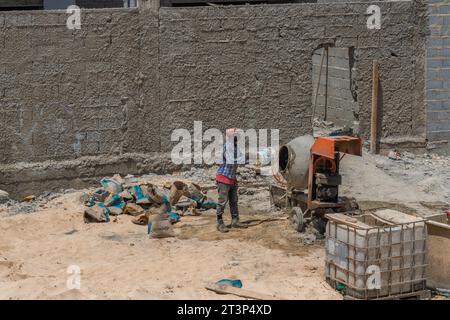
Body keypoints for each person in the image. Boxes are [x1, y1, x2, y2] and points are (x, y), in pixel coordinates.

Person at [215, 128, 246, 233]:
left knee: (234, 200)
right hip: (224, 178)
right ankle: (219, 222)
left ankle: (235, 220)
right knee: (222, 202)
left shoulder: (236, 147)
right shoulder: (227, 147)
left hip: (232, 178)